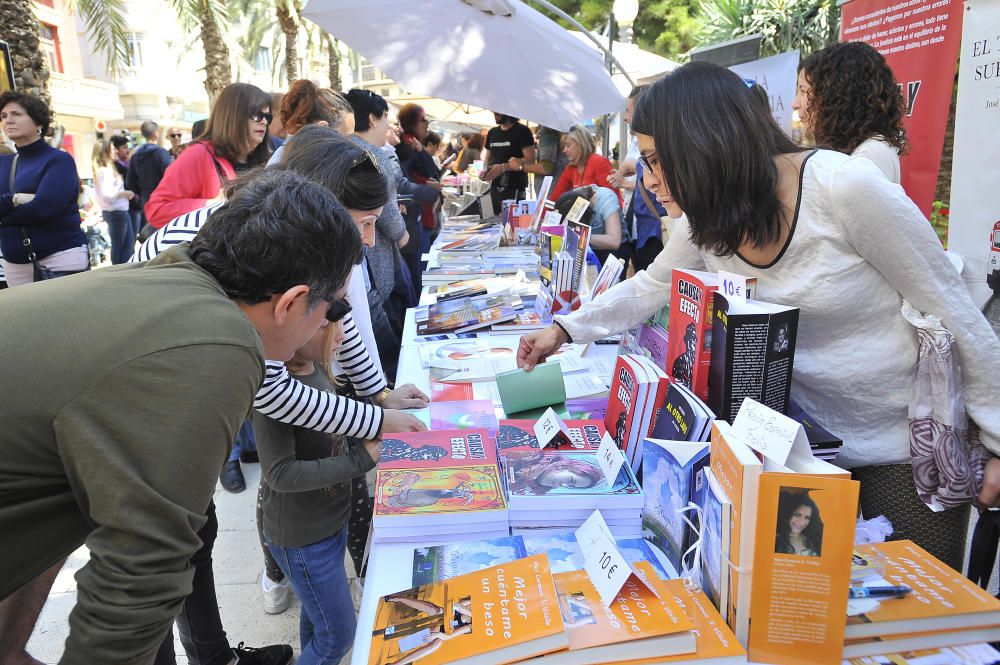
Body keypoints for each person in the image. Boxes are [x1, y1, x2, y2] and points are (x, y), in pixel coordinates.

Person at [516, 62, 1000, 571]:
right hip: (799, 449)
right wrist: (565, 329)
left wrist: (996, 442)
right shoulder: (707, 218)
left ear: (704, 143)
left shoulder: (844, 187)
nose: (650, 181)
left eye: (658, 160)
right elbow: (654, 284)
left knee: (911, 623)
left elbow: (956, 310)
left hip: (904, 454)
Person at [0, 168, 363, 665]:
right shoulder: (220, 345)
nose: (330, 323)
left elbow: (51, 490)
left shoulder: (171, 274)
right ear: (293, 302)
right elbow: (139, 577)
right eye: (333, 308)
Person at [255, 317, 380, 665]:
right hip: (303, 539)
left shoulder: (317, 370)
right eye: (327, 324)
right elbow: (280, 473)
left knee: (318, 620)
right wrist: (360, 459)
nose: (341, 334)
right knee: (339, 635)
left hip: (327, 525)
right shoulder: (273, 395)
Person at [145, 82, 272, 228]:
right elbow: (157, 210)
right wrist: (210, 205)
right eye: (257, 115)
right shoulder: (198, 155)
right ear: (232, 116)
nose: (264, 122)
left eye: (267, 116)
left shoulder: (266, 158)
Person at [0, 91, 89, 287]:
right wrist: (14, 199)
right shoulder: (4, 163)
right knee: (25, 318)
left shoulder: (58, 160)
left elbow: (45, 208)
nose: (8, 120)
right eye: (4, 116)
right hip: (14, 264)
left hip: (59, 258)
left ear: (38, 123)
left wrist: (3, 216)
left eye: (17, 114)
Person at [792, 41, 908, 184]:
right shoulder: (852, 149)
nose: (795, 103)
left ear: (835, 95)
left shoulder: (872, 153)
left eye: (803, 91)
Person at [266, 79, 354, 166]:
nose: (351, 145)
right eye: (346, 139)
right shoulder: (290, 165)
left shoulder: (285, 157)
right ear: (323, 129)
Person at [549, 125, 621, 207]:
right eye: (564, 147)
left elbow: (611, 200)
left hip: (607, 216)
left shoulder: (599, 162)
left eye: (568, 146)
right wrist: (541, 216)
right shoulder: (571, 168)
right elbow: (554, 198)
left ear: (581, 144)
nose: (564, 150)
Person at [92, 138, 137, 263]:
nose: (116, 152)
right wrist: (126, 193)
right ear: (106, 152)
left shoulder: (104, 170)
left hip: (118, 212)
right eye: (112, 149)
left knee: (126, 248)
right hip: (116, 213)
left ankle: (122, 274)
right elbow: (108, 194)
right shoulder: (105, 172)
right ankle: (119, 274)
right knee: (121, 248)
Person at [552, 185, 622, 264]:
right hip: (588, 247)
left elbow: (614, 241)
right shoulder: (572, 200)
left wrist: (580, 235)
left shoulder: (606, 200)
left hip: (613, 252)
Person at [481, 113, 536, 212]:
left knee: (512, 223)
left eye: (498, 113)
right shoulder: (492, 132)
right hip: (494, 189)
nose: (495, 114)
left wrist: (503, 167)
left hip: (515, 189)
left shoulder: (523, 131)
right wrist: (484, 170)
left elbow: (530, 160)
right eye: (494, 112)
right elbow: (487, 157)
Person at [126, 120, 174, 227]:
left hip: (145, 198)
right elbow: (171, 176)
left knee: (150, 230)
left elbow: (130, 182)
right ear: (156, 133)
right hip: (163, 198)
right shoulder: (161, 153)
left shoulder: (135, 156)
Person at [110, 134, 143, 238]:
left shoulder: (129, 163)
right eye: (124, 148)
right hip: (126, 207)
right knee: (129, 240)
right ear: (116, 150)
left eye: (127, 147)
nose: (127, 150)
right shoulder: (115, 166)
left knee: (133, 239)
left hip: (134, 205)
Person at [774, 492, 823, 557]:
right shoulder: (775, 540)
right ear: (788, 514)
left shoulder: (814, 540)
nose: (802, 522)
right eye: (797, 515)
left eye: (807, 517)